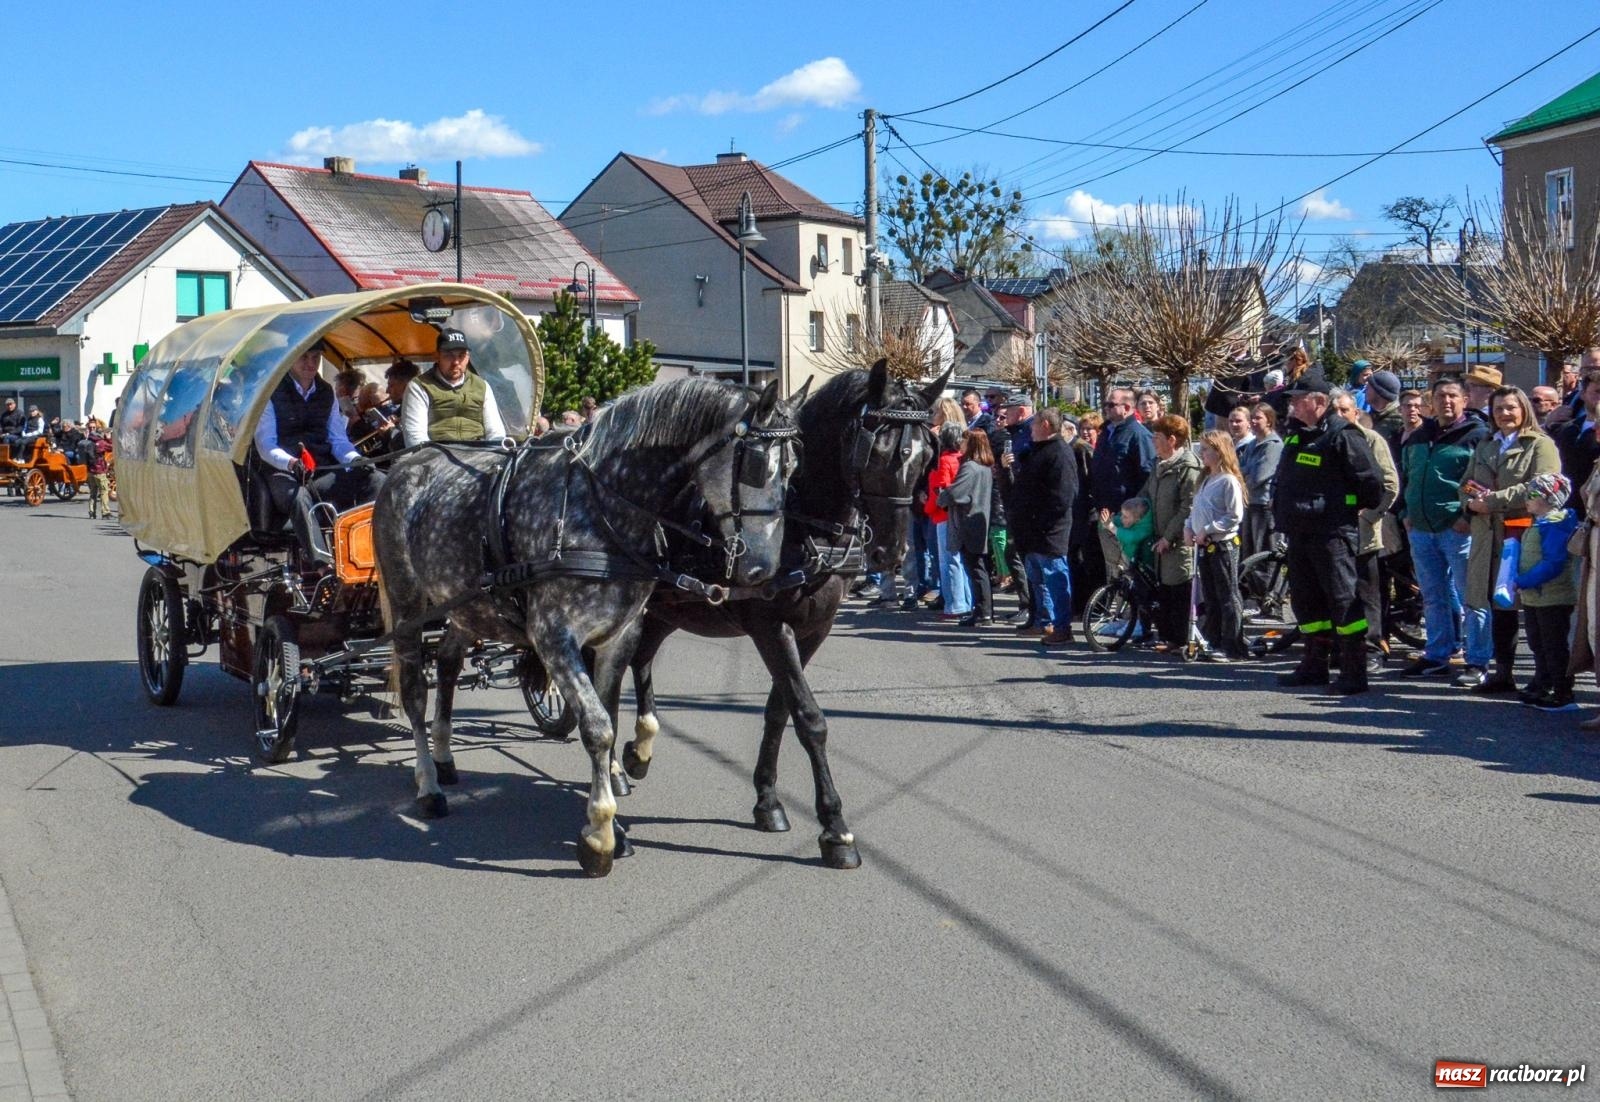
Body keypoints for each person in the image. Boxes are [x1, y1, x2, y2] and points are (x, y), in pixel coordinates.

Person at [1273, 373, 1385, 694]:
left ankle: (1353, 671)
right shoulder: (1298, 435)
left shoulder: (1344, 435)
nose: (1292, 405)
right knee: (1307, 602)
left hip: (1333, 532)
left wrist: (1341, 507)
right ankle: (1314, 665)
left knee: (1343, 601)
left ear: (1319, 403)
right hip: (1300, 532)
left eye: (1298, 399)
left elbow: (1371, 484)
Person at [1458, 385, 1560, 694]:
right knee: (1498, 605)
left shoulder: (1540, 445)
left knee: (1530, 607)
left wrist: (1493, 500)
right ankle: (1503, 672)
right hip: (1487, 536)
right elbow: (1466, 483)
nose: (1504, 414)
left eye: (1511, 408)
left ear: (1524, 409)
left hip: (1523, 534)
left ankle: (1544, 677)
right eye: (1499, 408)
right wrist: (1470, 502)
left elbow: (1544, 486)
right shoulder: (1487, 444)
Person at [254, 340, 384, 566]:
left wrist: (356, 459)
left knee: (377, 480)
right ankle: (323, 566)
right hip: (281, 472)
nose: (311, 363)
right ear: (291, 358)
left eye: (316, 357)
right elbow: (266, 444)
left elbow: (337, 440)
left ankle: (369, 552)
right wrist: (291, 463)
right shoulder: (270, 393)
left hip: (321, 468)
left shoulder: (326, 392)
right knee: (299, 497)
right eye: (304, 357)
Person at [1398, 376, 1492, 678]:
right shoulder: (1418, 435)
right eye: (1440, 396)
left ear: (1465, 399)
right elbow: (1407, 476)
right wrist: (1406, 513)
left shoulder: (1477, 435)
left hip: (1458, 528)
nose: (1446, 401)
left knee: (1472, 597)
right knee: (1433, 596)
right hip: (1421, 529)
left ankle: (1477, 659)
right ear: (1431, 401)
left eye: (1453, 396)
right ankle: (1438, 653)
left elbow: (1483, 480)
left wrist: (1466, 516)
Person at [1332, 388, 1400, 664]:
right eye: (1334, 411)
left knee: (1368, 593)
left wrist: (1370, 516)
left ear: (1356, 413)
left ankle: (1372, 649)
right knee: (1341, 594)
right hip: (1335, 534)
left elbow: (1389, 484)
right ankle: (1344, 649)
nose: (1339, 416)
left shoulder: (1371, 440)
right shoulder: (1330, 441)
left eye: (1344, 411)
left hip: (1363, 534)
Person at [1508, 472, 1578, 710]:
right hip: (1535, 597)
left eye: (1534, 494)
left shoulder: (1556, 523)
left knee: (1554, 645)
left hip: (1553, 596)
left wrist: (1524, 581)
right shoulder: (1539, 521)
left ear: (1550, 498)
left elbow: (1553, 562)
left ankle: (1562, 691)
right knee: (1537, 643)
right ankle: (1542, 683)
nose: (1527, 498)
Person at [1011, 407, 1078, 645]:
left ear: (1046, 426)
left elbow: (1063, 496)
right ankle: (1044, 621)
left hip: (1050, 530)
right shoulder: (1038, 451)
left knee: (1055, 579)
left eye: (1034, 424)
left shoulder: (1059, 453)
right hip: (1031, 530)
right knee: (1038, 580)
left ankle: (1062, 627)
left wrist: (1042, 522)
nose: (1030, 428)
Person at [1185, 430, 1249, 661]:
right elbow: (1196, 511)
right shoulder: (1205, 480)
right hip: (1204, 545)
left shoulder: (1228, 481)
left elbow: (1234, 516)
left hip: (1223, 545)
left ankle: (1233, 645)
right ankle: (1213, 640)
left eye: (1206, 450)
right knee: (1210, 596)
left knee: (1227, 595)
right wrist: (1188, 527)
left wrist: (1208, 529)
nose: (1202, 454)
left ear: (1220, 452)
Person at [1140, 414, 1202, 652]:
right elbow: (1145, 495)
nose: (1153, 442)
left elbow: (1188, 506)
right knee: (1165, 590)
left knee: (1179, 590)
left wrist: (1169, 536)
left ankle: (1181, 640)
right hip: (1159, 540)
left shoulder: (1187, 467)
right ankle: (1168, 637)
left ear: (1172, 440)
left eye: (1157, 437)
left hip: (1178, 543)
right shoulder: (1158, 466)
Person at [1089, 386, 1157, 579]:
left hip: (1126, 516)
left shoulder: (1138, 434)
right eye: (1105, 404)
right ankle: (1116, 605)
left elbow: (1146, 474)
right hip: (1106, 511)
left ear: (1127, 408)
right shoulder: (1107, 433)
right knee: (1113, 568)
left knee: (1126, 568)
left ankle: (1129, 608)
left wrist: (1134, 512)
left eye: (1111, 405)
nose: (1106, 409)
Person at [400, 328, 508, 446]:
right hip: (435, 458)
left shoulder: (482, 386)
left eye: (461, 355)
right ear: (437, 356)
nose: (456, 362)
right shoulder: (419, 387)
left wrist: (493, 456)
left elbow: (496, 432)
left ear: (468, 357)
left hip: (478, 456)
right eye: (448, 355)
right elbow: (415, 439)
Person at [939, 430, 996, 627]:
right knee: (978, 568)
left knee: (976, 569)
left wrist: (942, 495)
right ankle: (983, 611)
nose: (961, 443)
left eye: (964, 440)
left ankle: (983, 612)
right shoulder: (985, 467)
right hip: (979, 521)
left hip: (969, 522)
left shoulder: (970, 467)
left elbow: (956, 493)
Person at [925, 420, 972, 621]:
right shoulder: (962, 458)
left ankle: (955, 605)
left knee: (948, 561)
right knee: (959, 561)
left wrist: (927, 507)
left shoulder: (943, 461)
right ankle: (966, 602)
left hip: (944, 515)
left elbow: (941, 490)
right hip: (960, 514)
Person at [1239, 402, 1283, 576]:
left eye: (1258, 418)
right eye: (1252, 418)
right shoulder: (1252, 444)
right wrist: (1245, 473)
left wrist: (1245, 474)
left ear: (1269, 420)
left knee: (1264, 551)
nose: (1254, 421)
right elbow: (1238, 470)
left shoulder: (1274, 445)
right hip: (1249, 503)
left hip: (1264, 505)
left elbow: (1259, 476)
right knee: (1249, 553)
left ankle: (1268, 593)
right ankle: (1253, 592)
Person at [1068, 410, 1104, 609]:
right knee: (1078, 557)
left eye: (1090, 428)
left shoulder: (1089, 451)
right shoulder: (1080, 449)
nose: (1086, 432)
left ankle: (1096, 605)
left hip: (1093, 512)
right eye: (1083, 428)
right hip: (1079, 512)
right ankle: (1081, 603)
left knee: (1093, 560)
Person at [1555, 369, 1600, 519]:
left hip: (1594, 515)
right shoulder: (1567, 429)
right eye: (1597, 391)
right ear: (1583, 394)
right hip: (1565, 513)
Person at [1364, 370, 1404, 461]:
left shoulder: (1399, 421)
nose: (1365, 390)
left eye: (1369, 387)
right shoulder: (1369, 417)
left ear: (1379, 393)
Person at [85, 429, 113, 519]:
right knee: (104, 491)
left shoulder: (89, 441)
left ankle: (91, 512)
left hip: (90, 471)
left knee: (93, 492)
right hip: (99, 470)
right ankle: (105, 512)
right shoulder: (101, 442)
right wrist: (108, 438)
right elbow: (112, 447)